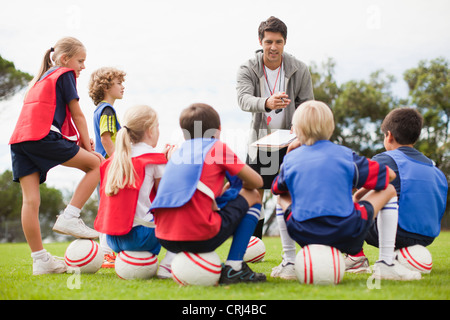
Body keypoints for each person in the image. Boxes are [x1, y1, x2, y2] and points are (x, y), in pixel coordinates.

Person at [272, 100, 421, 281]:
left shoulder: (291, 159)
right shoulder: (345, 155)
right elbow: (389, 175)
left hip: (303, 234)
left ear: (295, 131)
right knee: (389, 189)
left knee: (281, 196)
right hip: (347, 233)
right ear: (331, 128)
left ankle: (289, 263)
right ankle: (386, 264)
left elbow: (276, 188)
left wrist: (290, 155)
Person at [9, 37, 102, 275]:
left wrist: (80, 141)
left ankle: (40, 260)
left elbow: (46, 118)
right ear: (64, 59)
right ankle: (70, 216)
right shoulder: (63, 74)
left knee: (30, 202)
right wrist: (89, 149)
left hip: (19, 141)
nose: (83, 66)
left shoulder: (40, 80)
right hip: (41, 137)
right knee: (96, 165)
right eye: (80, 61)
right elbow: (78, 115)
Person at [150, 103, 266, 284]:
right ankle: (235, 267)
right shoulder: (217, 147)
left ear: (184, 133)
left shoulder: (179, 152)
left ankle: (168, 262)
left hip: (165, 238)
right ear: (218, 129)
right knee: (253, 195)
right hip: (199, 237)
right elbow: (257, 182)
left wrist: (226, 190)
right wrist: (237, 187)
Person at [236, 16, 313, 278]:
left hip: (290, 143)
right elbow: (243, 99)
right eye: (268, 41)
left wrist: (299, 126)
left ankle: (301, 249)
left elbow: (307, 103)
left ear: (285, 42)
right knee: (253, 190)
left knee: (293, 192)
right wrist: (267, 102)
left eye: (278, 42)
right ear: (260, 41)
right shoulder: (247, 67)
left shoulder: (299, 68)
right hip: (259, 143)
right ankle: (251, 246)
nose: (273, 47)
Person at [346, 107, 448, 273]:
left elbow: (357, 189)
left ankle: (355, 256)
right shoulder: (434, 168)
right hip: (427, 237)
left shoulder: (385, 159)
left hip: (396, 232)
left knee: (347, 199)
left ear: (389, 136)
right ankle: (399, 257)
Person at [94, 105, 176, 278]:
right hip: (141, 238)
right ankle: (169, 263)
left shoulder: (115, 160)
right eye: (158, 126)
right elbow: (166, 199)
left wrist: (161, 160)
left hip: (114, 239)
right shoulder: (155, 160)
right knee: (182, 210)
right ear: (149, 130)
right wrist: (171, 164)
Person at [89, 66, 126, 268]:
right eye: (119, 83)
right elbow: (106, 139)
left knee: (105, 207)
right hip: (109, 166)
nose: (122, 87)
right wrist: (119, 162)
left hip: (103, 166)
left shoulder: (100, 110)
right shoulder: (107, 110)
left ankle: (106, 252)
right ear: (106, 86)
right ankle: (106, 253)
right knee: (109, 208)